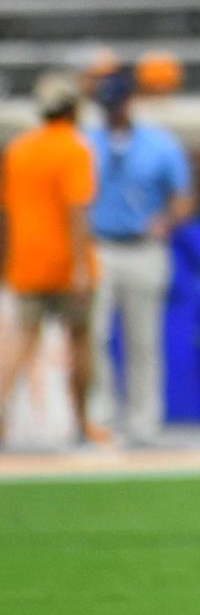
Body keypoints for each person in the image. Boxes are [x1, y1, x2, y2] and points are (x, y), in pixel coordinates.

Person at [84, 66, 193, 445]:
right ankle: (99, 417)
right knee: (94, 335)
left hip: (143, 247)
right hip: (99, 245)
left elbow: (182, 196)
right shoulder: (86, 142)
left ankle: (144, 422)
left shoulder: (158, 144)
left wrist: (165, 221)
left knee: (143, 338)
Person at [0, 73, 100, 448]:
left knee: (18, 342)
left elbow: (7, 213)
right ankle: (80, 421)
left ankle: (2, 416)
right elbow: (77, 209)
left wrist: (8, 261)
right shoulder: (74, 149)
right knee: (80, 341)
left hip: (26, 261)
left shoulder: (19, 150)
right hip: (65, 262)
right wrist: (78, 266)